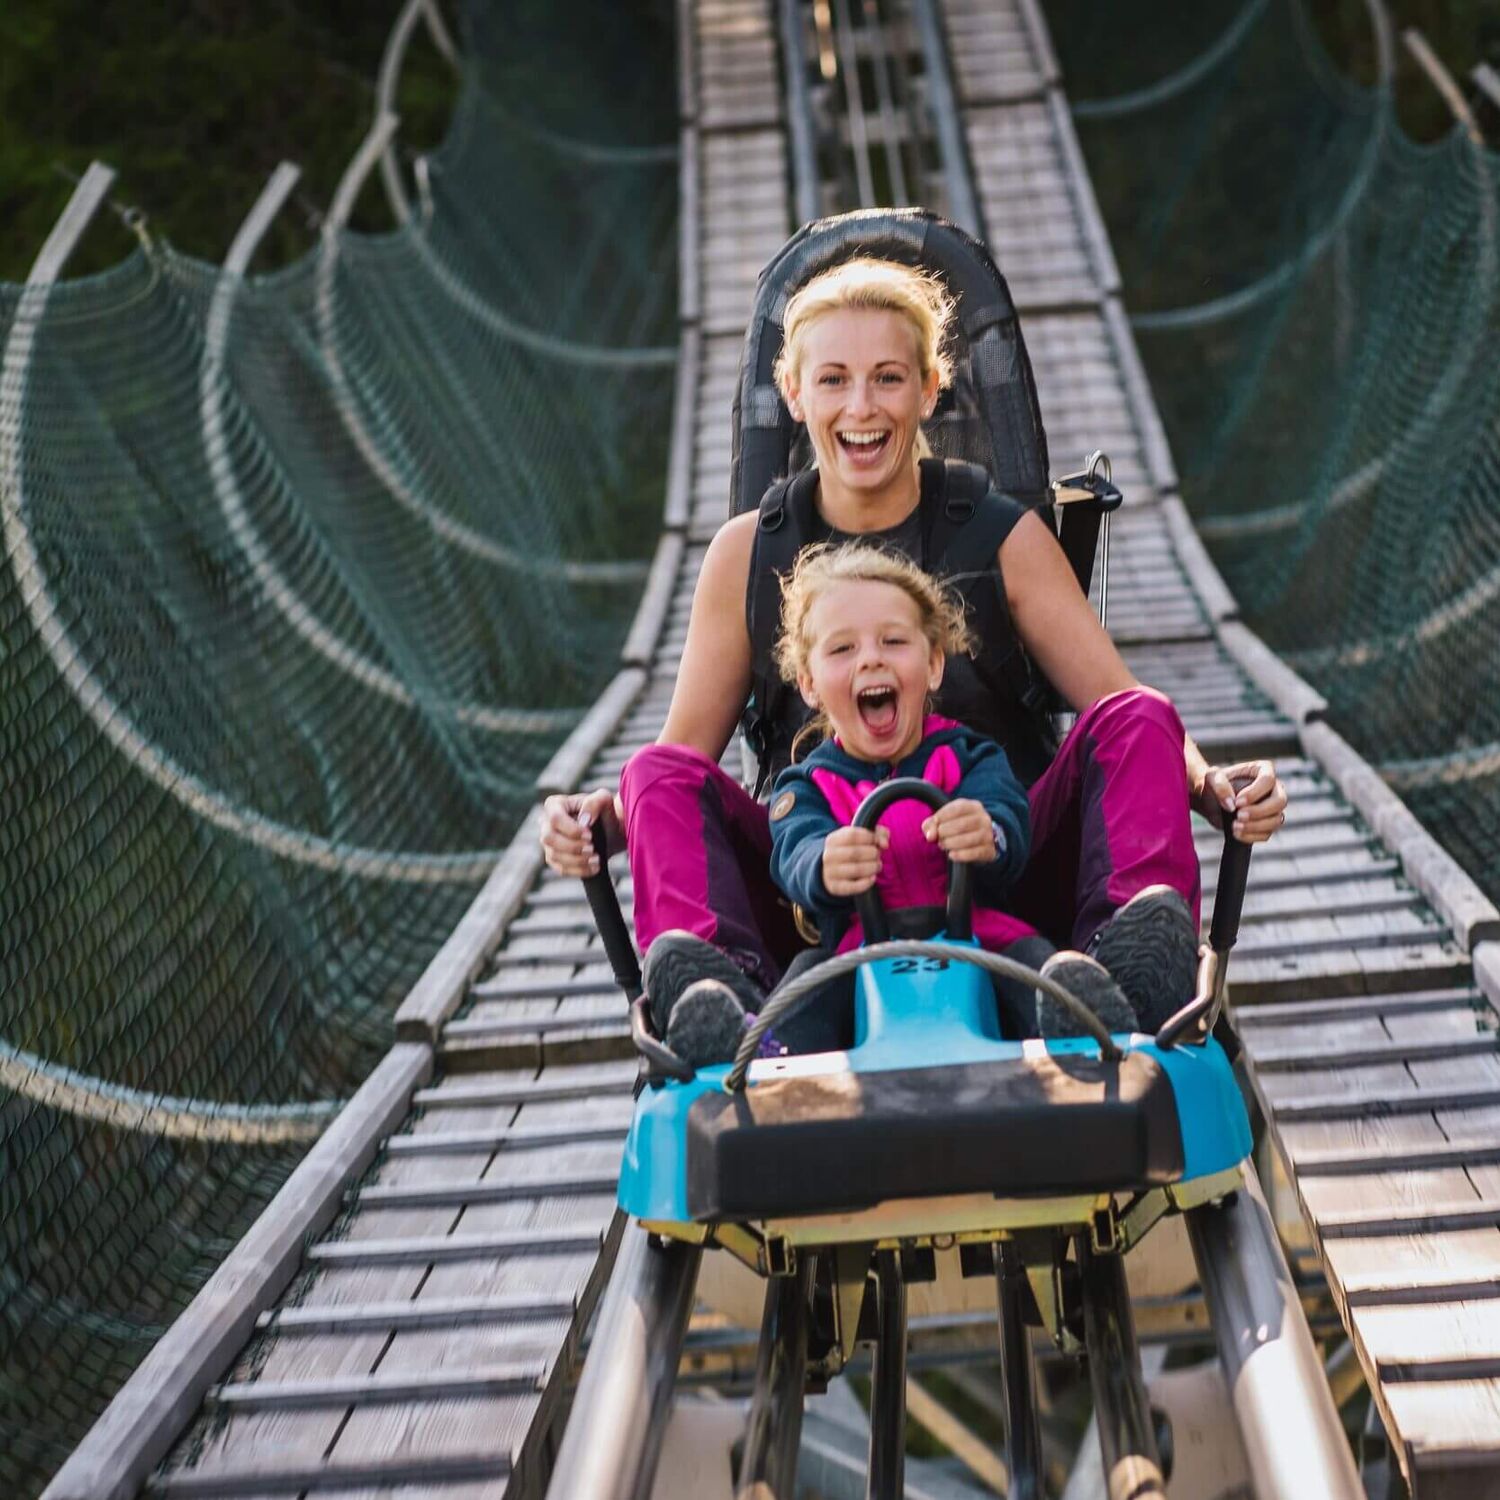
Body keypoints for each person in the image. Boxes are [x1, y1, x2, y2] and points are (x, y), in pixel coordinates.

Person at [539, 255, 1288, 1052]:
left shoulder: (1002, 533)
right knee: (649, 771)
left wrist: (1212, 787)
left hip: (999, 868)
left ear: (931, 389)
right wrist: (599, 821)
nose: (860, 407)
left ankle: (1124, 977)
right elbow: (678, 767)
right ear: (793, 393)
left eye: (887, 378)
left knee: (1143, 715)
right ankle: (718, 1003)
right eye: (833, 381)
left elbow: (1122, 711)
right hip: (823, 890)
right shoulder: (745, 556)